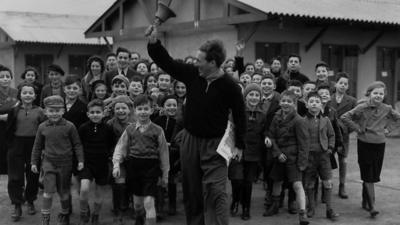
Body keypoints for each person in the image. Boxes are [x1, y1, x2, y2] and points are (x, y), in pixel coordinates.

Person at [147, 25, 246, 225]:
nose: (196, 63)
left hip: (216, 146)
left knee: (216, 191)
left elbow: (240, 115)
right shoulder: (192, 74)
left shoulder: (230, 87)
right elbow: (167, 62)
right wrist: (154, 43)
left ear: (213, 62)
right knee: (192, 191)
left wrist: (240, 145)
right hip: (190, 142)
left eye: (200, 61)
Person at [341, 81, 400, 218]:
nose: (378, 95)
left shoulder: (387, 108)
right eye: (375, 93)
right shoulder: (362, 107)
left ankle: (365, 200)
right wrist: (357, 129)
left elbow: (398, 119)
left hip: (380, 144)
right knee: (368, 174)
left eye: (381, 93)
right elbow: (345, 117)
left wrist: (388, 129)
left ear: (384, 95)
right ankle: (372, 206)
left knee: (373, 174)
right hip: (365, 144)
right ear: (369, 94)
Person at [113, 95, 169, 225]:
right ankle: (139, 218)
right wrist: (116, 164)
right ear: (135, 111)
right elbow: (120, 147)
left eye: (146, 109)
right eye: (140, 109)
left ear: (151, 110)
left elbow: (164, 153)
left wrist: (165, 174)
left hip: (151, 168)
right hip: (134, 167)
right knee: (138, 205)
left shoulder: (158, 130)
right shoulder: (130, 129)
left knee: (149, 202)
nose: (143, 112)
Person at [31, 95, 84, 225]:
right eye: (51, 110)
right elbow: (37, 146)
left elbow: (77, 144)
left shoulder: (70, 126)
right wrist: (34, 162)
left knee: (64, 192)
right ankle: (45, 219)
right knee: (48, 192)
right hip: (49, 163)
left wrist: (80, 160)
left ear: (63, 111)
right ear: (45, 111)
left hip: (65, 163)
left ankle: (65, 213)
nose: (54, 113)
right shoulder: (42, 127)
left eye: (57, 110)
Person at [263, 90, 309, 225]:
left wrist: (302, 163)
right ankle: (275, 206)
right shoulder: (276, 117)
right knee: (277, 181)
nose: (285, 104)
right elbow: (271, 136)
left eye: (289, 101)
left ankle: (302, 214)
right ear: (280, 102)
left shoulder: (299, 120)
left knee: (297, 185)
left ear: (294, 104)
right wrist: (277, 153)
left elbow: (304, 143)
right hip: (279, 156)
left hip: (293, 159)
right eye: (283, 101)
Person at [6, 83, 45, 221]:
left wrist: (43, 148)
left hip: (34, 145)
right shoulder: (14, 110)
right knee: (15, 176)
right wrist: (10, 145)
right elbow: (9, 129)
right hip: (16, 144)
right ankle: (17, 203)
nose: (27, 95)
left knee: (32, 174)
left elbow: (44, 131)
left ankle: (30, 200)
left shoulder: (40, 111)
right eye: (24, 93)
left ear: (35, 96)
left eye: (30, 93)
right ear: (20, 95)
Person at [301, 91, 339, 221]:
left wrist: (329, 149)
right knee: (309, 184)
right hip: (309, 156)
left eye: (317, 102)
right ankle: (311, 207)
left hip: (323, 156)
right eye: (311, 102)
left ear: (321, 105)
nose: (314, 104)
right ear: (307, 105)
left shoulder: (326, 120)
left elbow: (332, 135)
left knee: (327, 182)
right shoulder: (302, 121)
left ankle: (329, 209)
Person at [78, 99, 115, 225]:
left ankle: (95, 215)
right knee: (84, 189)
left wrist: (110, 159)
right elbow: (79, 145)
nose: (95, 114)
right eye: (92, 112)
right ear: (88, 114)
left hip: (102, 165)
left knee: (99, 196)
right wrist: (79, 161)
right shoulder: (83, 128)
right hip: (87, 163)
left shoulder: (108, 128)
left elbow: (111, 144)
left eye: (98, 112)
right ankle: (84, 211)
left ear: (103, 113)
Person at [106, 95, 134, 224]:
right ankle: (119, 207)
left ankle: (133, 204)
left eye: (124, 108)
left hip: (133, 156)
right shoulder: (110, 124)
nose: (121, 111)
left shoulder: (136, 122)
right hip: (116, 157)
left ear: (129, 109)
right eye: (118, 108)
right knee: (119, 181)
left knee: (133, 180)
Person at [330, 72, 357, 199]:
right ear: (336, 84)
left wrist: (346, 130)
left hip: (344, 137)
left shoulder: (352, 101)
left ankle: (342, 186)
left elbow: (355, 119)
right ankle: (327, 185)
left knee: (343, 161)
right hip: (330, 137)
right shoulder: (328, 99)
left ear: (347, 87)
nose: (342, 85)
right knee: (327, 160)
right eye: (340, 83)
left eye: (345, 84)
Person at [0, 65, 18, 175]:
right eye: (2, 77)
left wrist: (9, 117)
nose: (5, 79)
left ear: (11, 78)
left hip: (12, 125)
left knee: (11, 149)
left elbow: (20, 108)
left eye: (8, 76)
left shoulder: (16, 92)